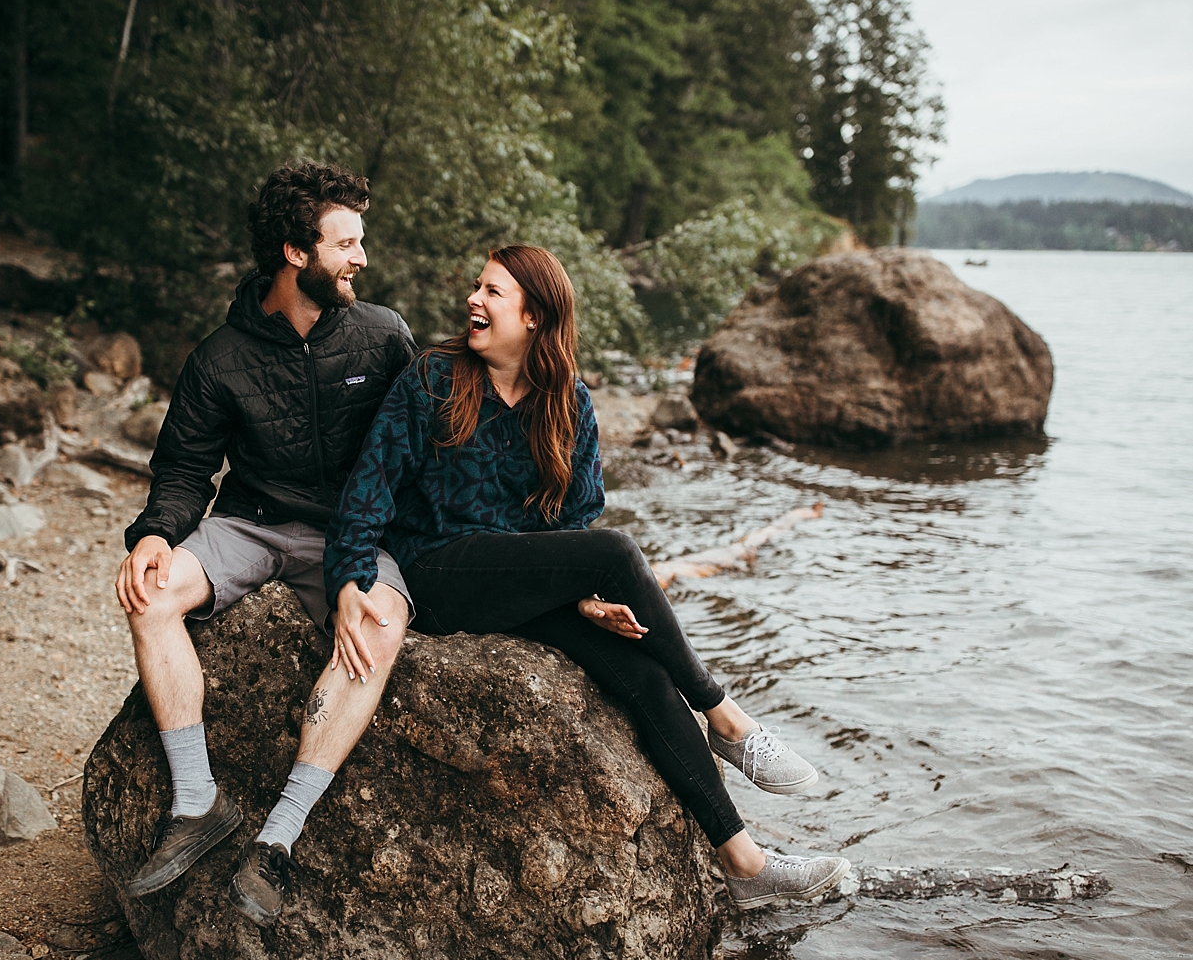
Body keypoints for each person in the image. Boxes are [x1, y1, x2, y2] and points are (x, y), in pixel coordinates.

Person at [323, 244, 851, 910]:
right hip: (438, 571)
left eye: (492, 292)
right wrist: (348, 580)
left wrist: (584, 602)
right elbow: (366, 493)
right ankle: (725, 716)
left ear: (535, 316)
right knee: (616, 550)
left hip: (519, 587)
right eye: (476, 287)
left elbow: (573, 519)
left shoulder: (567, 400)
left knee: (640, 669)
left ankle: (742, 861)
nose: (472, 301)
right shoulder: (432, 376)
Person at [115, 161, 416, 926]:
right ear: (293, 251)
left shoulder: (383, 337)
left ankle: (277, 836)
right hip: (247, 521)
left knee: (380, 625)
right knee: (149, 595)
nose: (360, 258)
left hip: (351, 534)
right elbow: (184, 467)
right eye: (345, 242)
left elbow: (427, 448)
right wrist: (154, 534)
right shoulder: (220, 357)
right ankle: (196, 803)